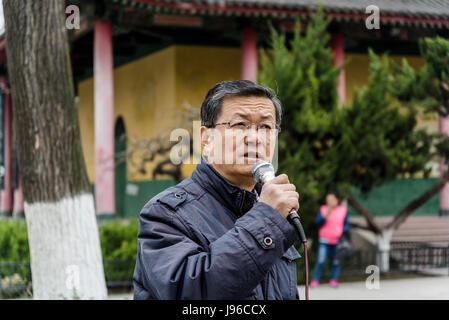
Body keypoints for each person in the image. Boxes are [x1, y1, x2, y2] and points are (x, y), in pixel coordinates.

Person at [133, 80, 302, 300]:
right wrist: (266, 220)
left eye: (266, 127)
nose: (255, 138)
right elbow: (192, 294)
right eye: (239, 125)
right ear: (206, 138)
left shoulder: (272, 209)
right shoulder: (165, 214)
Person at [310, 191, 349, 289]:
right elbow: (317, 223)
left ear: (337, 200)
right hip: (324, 241)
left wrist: (341, 230)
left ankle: (333, 280)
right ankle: (315, 280)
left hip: (337, 241)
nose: (330, 202)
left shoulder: (343, 210)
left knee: (335, 261)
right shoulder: (323, 209)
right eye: (328, 200)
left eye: (332, 200)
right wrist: (325, 216)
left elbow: (346, 225)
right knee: (321, 260)